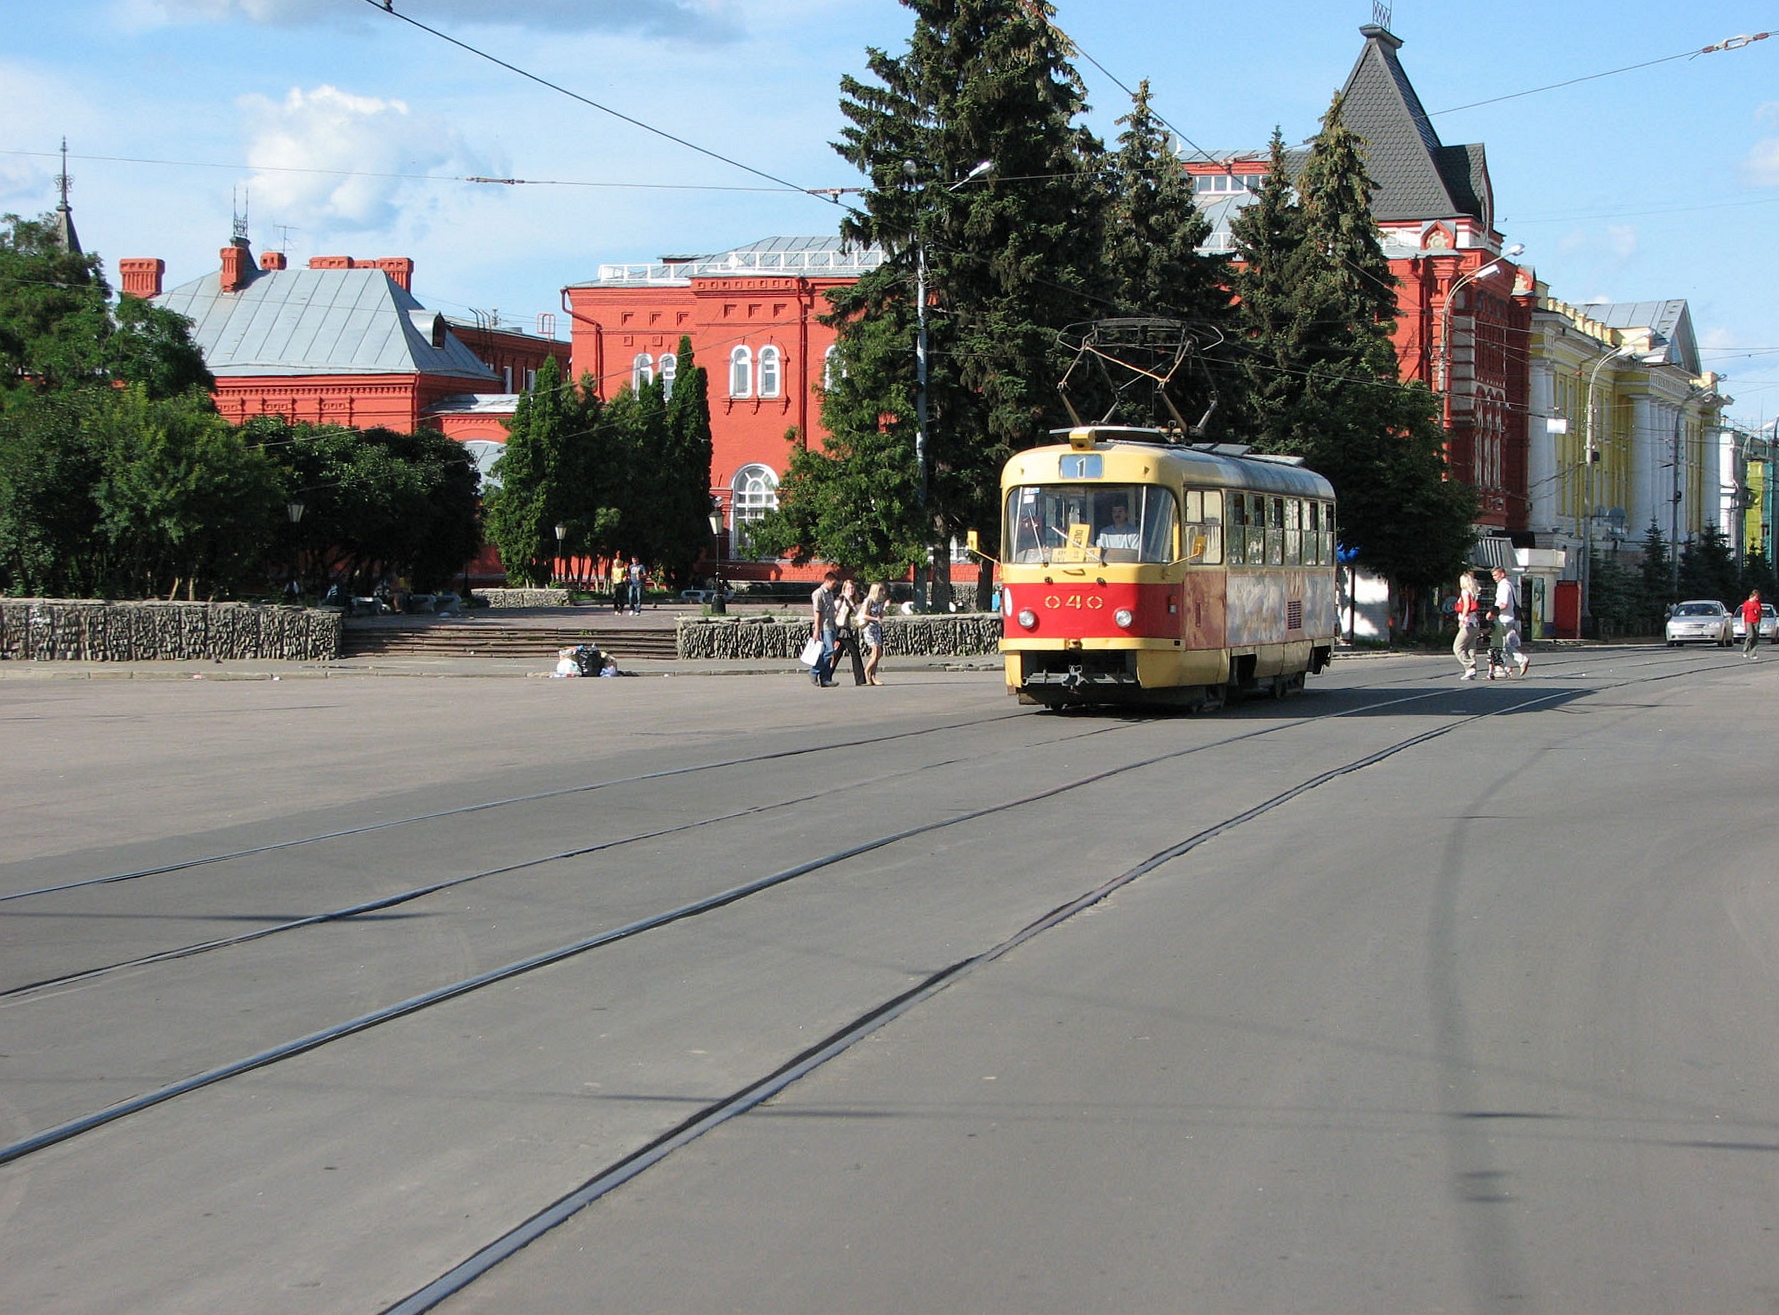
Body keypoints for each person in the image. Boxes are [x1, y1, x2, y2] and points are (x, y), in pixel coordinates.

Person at [1488, 566, 1529, 678]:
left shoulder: (1504, 586)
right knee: (1504, 645)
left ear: (1502, 574)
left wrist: (1492, 612)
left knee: (1502, 645)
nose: (1494, 578)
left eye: (1496, 575)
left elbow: (1504, 604)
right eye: (1493, 576)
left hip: (1504, 619)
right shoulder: (1509, 584)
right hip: (1508, 618)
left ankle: (1520, 661)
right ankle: (1503, 669)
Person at [832, 578, 868, 685]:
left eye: (852, 588)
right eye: (848, 588)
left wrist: (851, 601)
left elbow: (857, 613)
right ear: (844, 589)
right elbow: (833, 613)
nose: (851, 590)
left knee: (837, 654)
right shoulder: (840, 599)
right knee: (854, 651)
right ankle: (860, 679)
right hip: (840, 629)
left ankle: (826, 675)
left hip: (846, 629)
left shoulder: (851, 600)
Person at [809, 571, 841, 687]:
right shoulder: (818, 593)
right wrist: (817, 630)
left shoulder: (830, 593)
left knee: (826, 652)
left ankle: (825, 678)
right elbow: (817, 612)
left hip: (832, 625)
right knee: (829, 650)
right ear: (827, 581)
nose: (835, 586)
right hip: (824, 626)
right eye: (833, 583)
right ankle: (814, 671)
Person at [1452, 572, 1483, 680]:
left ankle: (1469, 666)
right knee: (1471, 648)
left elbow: (1466, 606)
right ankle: (1472, 670)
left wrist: (1463, 619)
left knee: (1458, 647)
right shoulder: (1473, 592)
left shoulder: (1465, 592)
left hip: (1468, 623)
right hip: (1475, 623)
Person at [860, 581, 888, 685]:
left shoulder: (879, 602)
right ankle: (867, 672)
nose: (882, 592)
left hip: (876, 628)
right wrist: (876, 619)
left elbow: (881, 616)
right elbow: (864, 615)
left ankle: (873, 675)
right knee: (875, 652)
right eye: (880, 590)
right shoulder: (868, 601)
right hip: (869, 628)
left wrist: (885, 608)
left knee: (879, 653)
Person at [1740, 588, 1764, 659]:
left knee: (1755, 637)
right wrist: (1743, 624)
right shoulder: (1746, 603)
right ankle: (1745, 650)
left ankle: (1753, 653)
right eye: (1756, 597)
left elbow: (1760, 612)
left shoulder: (1758, 603)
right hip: (1748, 621)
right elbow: (1743, 614)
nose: (1757, 599)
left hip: (1756, 621)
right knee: (1750, 636)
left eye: (1758, 597)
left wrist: (1760, 620)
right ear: (1753, 596)